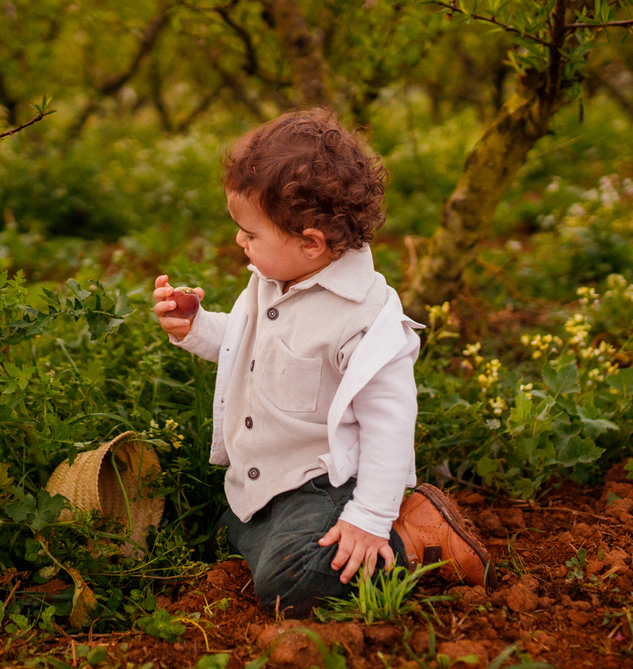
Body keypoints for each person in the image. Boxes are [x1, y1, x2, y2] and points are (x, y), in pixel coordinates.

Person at [153, 109, 489, 617]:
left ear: (310, 243)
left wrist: (369, 516)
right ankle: (280, 545)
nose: (240, 242)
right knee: (222, 536)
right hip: (269, 480)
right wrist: (196, 325)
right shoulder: (274, 279)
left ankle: (413, 538)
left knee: (290, 584)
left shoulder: (364, 320)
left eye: (250, 233)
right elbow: (248, 346)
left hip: (325, 485)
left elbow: (390, 425)